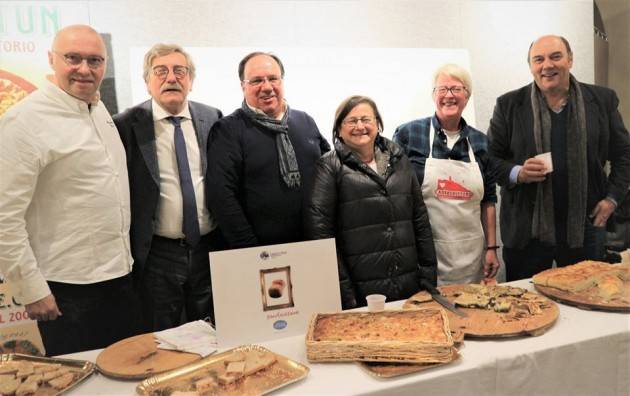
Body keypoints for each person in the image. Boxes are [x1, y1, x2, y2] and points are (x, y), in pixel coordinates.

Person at [0, 25, 139, 355]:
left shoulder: (97, 108)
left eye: (95, 60)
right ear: (52, 59)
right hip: (67, 290)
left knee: (123, 373)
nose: (85, 69)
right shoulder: (25, 121)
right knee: (80, 385)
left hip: (119, 276)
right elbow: (4, 215)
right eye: (73, 58)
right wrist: (31, 288)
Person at [488, 35, 630, 281]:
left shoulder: (602, 100)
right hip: (526, 231)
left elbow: (625, 155)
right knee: (526, 308)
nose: (547, 66)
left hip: (585, 228)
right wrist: (517, 172)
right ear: (531, 66)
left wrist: (612, 199)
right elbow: (490, 159)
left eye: (555, 57)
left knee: (586, 302)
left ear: (570, 60)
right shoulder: (508, 104)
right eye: (538, 59)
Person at [114, 44, 224, 331]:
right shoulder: (126, 124)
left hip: (208, 248)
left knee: (212, 328)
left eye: (180, 71)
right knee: (161, 333)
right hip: (158, 254)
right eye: (160, 71)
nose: (171, 78)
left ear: (191, 80)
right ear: (147, 81)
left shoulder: (212, 117)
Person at [305, 95, 437, 309]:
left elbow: (420, 218)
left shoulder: (399, 158)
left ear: (377, 123)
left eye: (366, 119)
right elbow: (320, 235)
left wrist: (429, 276)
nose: (360, 126)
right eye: (351, 121)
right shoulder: (329, 167)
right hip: (361, 293)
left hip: (409, 285)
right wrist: (344, 291)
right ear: (339, 129)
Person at [207, 52, 330, 249]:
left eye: (273, 78)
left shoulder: (305, 121)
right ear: (243, 86)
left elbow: (328, 175)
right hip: (261, 253)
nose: (266, 87)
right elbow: (221, 197)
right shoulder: (227, 130)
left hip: (313, 244)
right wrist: (250, 249)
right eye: (256, 81)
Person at [394, 64, 499, 285]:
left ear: (467, 96)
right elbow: (395, 196)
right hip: (425, 254)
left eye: (456, 89)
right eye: (442, 89)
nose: (448, 96)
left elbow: (488, 200)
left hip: (471, 254)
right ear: (433, 95)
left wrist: (492, 248)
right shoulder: (409, 134)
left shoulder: (481, 142)